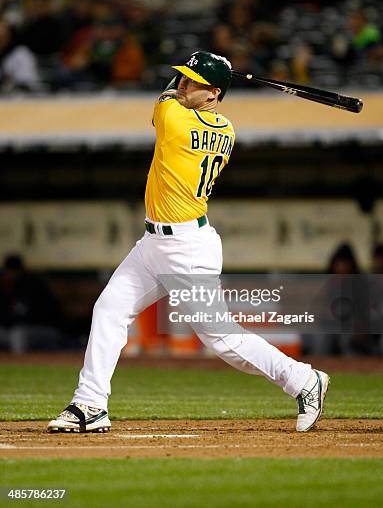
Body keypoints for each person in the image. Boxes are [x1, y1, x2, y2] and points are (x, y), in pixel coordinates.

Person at [48, 51, 329, 434]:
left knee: (222, 339)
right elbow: (181, 96)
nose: (182, 84)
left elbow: (164, 98)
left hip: (186, 249)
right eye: (182, 78)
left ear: (213, 93)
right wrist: (213, 74)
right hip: (154, 244)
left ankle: (302, 379)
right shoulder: (225, 129)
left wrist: (213, 72)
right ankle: (90, 404)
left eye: (192, 81)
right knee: (110, 310)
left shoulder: (174, 118)